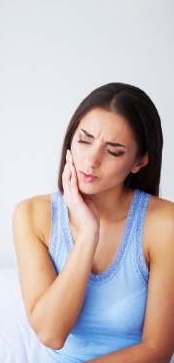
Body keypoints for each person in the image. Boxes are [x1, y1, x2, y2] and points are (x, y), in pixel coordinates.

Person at [13, 82, 174, 363]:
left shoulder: (164, 225)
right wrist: (89, 234)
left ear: (140, 161)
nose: (91, 159)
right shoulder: (31, 215)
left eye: (113, 151)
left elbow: (157, 350)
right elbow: (51, 334)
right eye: (84, 140)